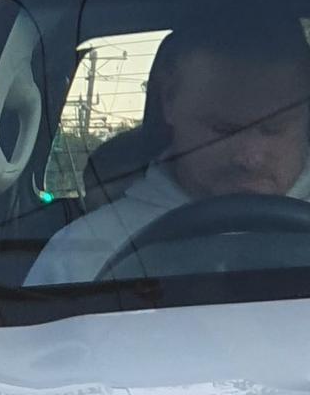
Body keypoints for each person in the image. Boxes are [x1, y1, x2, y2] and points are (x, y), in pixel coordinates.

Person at [26, 17, 310, 286]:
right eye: (224, 130)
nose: (250, 158)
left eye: (273, 129)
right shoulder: (81, 256)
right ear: (170, 101)